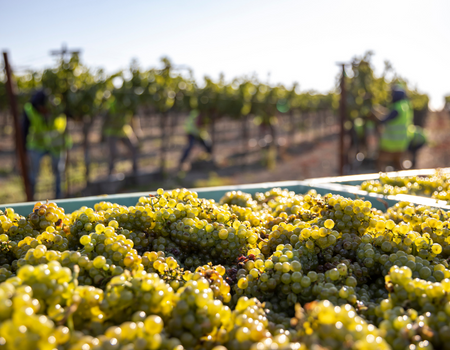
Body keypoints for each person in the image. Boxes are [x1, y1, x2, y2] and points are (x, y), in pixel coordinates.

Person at [22, 90, 71, 200]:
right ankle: (31, 199)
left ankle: (59, 198)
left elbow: (71, 116)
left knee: (59, 172)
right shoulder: (30, 110)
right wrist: (24, 150)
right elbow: (24, 131)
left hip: (56, 146)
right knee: (33, 174)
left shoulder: (57, 107)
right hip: (36, 146)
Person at [374, 85, 413, 171]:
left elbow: (384, 120)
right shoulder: (405, 107)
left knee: (380, 164)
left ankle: (381, 182)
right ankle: (402, 182)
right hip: (402, 143)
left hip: (390, 143)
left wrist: (374, 116)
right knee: (397, 164)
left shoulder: (397, 108)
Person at [103, 99, 138, 176]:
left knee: (134, 148)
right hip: (112, 131)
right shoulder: (111, 103)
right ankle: (111, 172)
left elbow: (133, 118)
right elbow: (105, 119)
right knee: (113, 153)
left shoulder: (128, 102)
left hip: (124, 130)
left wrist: (136, 131)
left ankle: (135, 170)